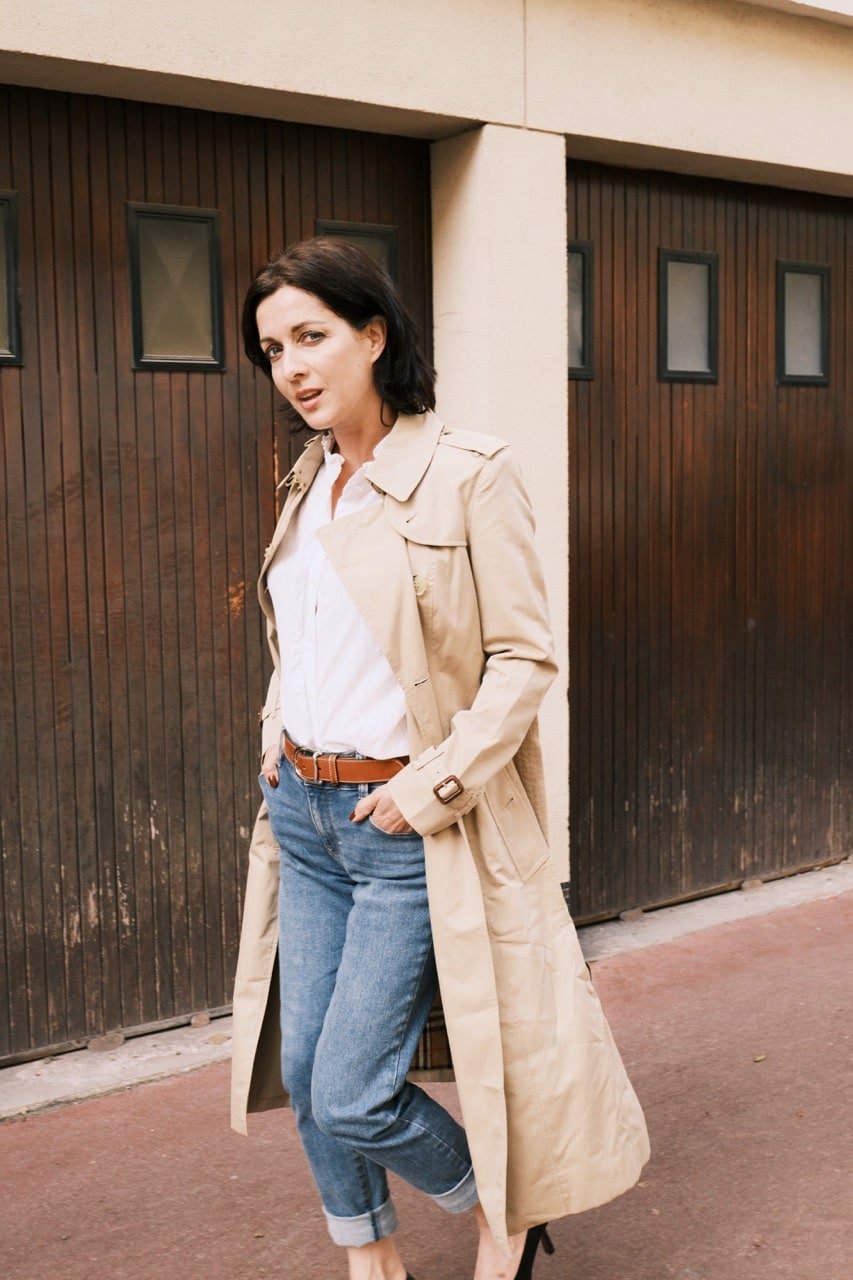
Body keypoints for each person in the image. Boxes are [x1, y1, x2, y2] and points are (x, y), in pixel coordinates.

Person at [230, 238, 650, 1280]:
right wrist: (276, 732)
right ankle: (369, 1257)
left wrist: (432, 786)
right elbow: (308, 637)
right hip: (306, 816)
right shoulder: (308, 481)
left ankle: (499, 1209)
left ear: (374, 335)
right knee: (301, 1063)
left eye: (312, 336)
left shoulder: (469, 474)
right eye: (273, 347)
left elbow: (523, 656)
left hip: (403, 823)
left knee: (353, 1085)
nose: (292, 365)